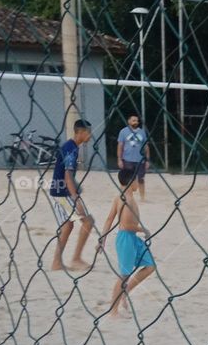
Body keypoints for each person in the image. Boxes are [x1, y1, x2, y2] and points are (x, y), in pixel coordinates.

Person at [98, 167, 156, 317]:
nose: (138, 182)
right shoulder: (127, 200)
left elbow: (109, 219)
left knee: (150, 266)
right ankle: (113, 310)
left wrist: (102, 239)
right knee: (124, 275)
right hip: (126, 239)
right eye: (136, 179)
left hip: (132, 238)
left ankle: (126, 291)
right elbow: (126, 225)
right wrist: (144, 230)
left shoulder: (120, 197)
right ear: (131, 182)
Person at [48, 118, 95, 271]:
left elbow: (67, 174)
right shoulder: (71, 149)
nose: (90, 135)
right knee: (88, 221)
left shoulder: (70, 146)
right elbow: (67, 175)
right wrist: (76, 198)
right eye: (88, 132)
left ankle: (56, 262)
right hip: (63, 193)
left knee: (67, 226)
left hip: (57, 191)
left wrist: (76, 186)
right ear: (80, 132)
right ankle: (76, 259)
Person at [117, 114, 150, 201]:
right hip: (127, 159)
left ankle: (142, 198)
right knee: (126, 179)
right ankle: (125, 196)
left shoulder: (142, 132)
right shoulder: (123, 132)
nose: (136, 122)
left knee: (141, 179)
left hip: (140, 160)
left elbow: (146, 146)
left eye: (137, 120)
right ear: (129, 121)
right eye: (133, 120)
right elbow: (120, 146)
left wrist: (147, 160)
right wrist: (119, 159)